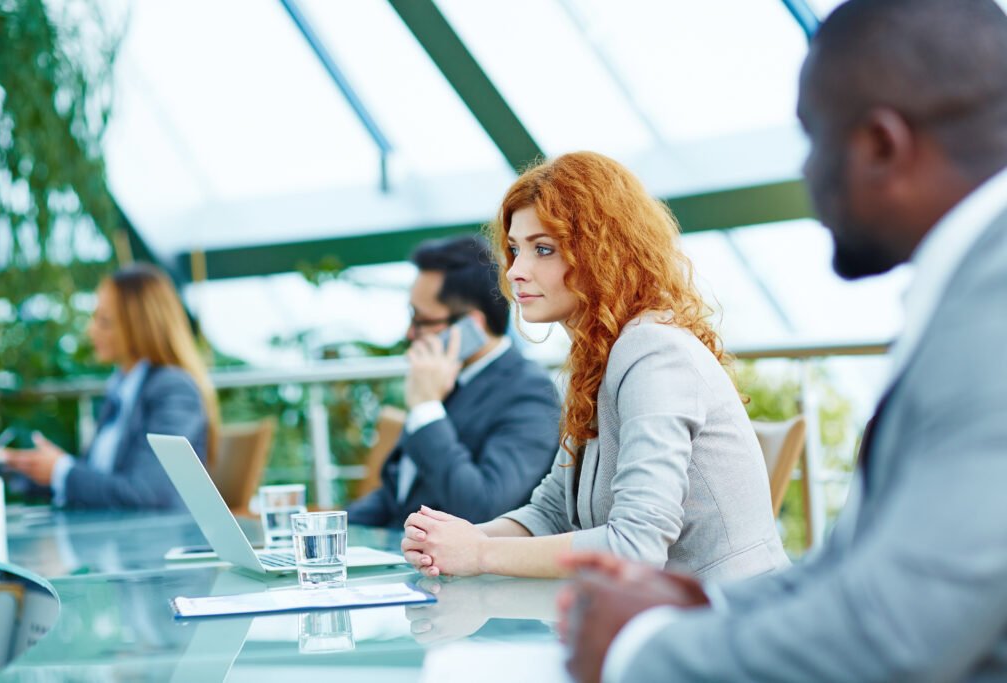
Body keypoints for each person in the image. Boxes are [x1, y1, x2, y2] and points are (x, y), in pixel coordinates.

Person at [560, 1, 1007, 681]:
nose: (806, 175)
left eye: (814, 139)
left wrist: (635, 650)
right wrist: (705, 606)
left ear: (882, 145)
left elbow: (890, 634)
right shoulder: (971, 289)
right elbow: (853, 568)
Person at [400, 152, 787, 580]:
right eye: (514, 249)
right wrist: (456, 541)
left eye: (543, 249)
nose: (515, 272)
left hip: (726, 621)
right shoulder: (597, 356)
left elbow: (635, 547)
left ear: (603, 253)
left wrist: (479, 554)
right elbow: (551, 512)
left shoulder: (654, 353)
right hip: (661, 614)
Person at [346, 235, 561, 528]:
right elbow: (400, 496)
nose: (410, 333)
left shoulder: (530, 392)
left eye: (421, 320)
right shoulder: (447, 376)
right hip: (403, 555)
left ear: (470, 325)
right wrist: (330, 528)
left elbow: (484, 507)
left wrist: (426, 408)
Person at [4, 263, 219, 509]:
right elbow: (101, 480)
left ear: (139, 327)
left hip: (153, 542)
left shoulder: (172, 389)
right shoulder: (122, 388)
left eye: (104, 321)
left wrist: (61, 470)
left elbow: (147, 492)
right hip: (114, 536)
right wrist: (25, 469)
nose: (91, 330)